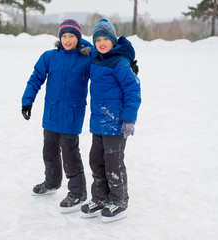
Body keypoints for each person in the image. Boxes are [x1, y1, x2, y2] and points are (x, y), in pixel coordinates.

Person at [21, 19, 92, 213]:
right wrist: (27, 100)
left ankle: (78, 193)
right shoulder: (49, 57)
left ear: (78, 38)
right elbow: (36, 78)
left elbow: (106, 66)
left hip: (72, 113)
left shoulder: (87, 58)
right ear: (59, 38)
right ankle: (51, 182)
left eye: (72, 36)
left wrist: (127, 66)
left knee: (70, 153)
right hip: (51, 113)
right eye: (64, 36)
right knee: (49, 151)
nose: (67, 40)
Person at [80, 19, 141, 222]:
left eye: (106, 39)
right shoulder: (96, 59)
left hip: (116, 125)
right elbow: (82, 48)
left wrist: (129, 119)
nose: (102, 43)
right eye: (98, 40)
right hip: (98, 123)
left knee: (113, 164)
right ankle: (100, 197)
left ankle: (119, 201)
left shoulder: (120, 63)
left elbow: (133, 90)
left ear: (113, 41)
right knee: (96, 161)